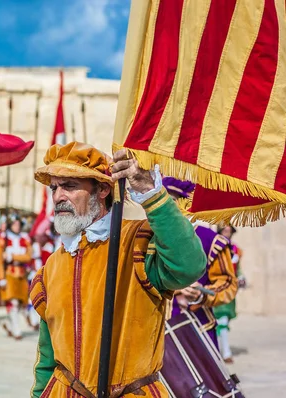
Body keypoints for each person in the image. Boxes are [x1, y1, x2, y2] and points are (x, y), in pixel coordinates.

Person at [29, 142, 206, 397]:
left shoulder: (138, 241)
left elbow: (189, 266)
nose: (57, 196)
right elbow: (48, 358)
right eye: (54, 187)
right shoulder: (50, 269)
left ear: (102, 189)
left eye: (69, 186)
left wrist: (150, 193)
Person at [162, 178, 239, 346]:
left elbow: (228, 284)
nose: (165, 205)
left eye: (172, 200)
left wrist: (201, 294)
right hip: (154, 330)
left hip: (197, 330)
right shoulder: (147, 236)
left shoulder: (211, 241)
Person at [214, 223, 245, 363]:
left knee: (224, 319)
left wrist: (241, 277)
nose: (227, 232)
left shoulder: (235, 249)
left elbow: (238, 269)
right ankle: (224, 351)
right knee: (220, 319)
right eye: (224, 230)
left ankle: (222, 350)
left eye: (229, 230)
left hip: (230, 288)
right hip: (216, 287)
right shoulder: (213, 247)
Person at [0, 213, 32, 340]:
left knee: (22, 303)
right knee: (13, 302)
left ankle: (9, 324)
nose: (17, 226)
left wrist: (13, 257)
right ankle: (17, 330)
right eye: (14, 224)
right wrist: (1, 278)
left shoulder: (25, 239)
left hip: (21, 275)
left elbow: (28, 256)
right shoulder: (3, 240)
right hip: (9, 274)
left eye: (18, 224)